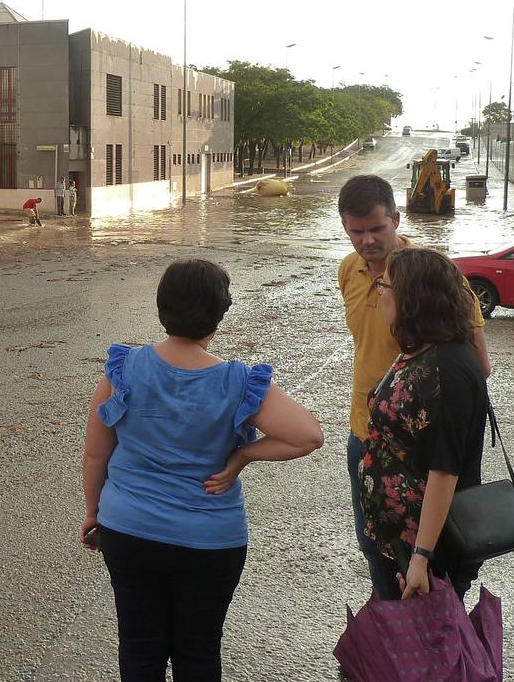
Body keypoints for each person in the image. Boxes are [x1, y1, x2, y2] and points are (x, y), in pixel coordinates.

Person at [81, 259, 324, 681]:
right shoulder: (238, 381)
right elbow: (308, 436)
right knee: (198, 654)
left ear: (162, 308)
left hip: (128, 528)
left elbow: (96, 455)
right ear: (219, 314)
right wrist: (242, 456)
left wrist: (93, 512)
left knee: (140, 649)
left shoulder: (123, 369)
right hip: (210, 540)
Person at [336, 174, 489, 601]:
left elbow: (477, 365)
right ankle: (391, 635)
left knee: (426, 564)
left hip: (419, 447)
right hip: (365, 434)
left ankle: (423, 645)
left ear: (396, 219)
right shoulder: (348, 270)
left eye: (377, 229)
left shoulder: (433, 275)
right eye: (356, 231)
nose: (367, 241)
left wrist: (417, 397)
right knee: (376, 548)